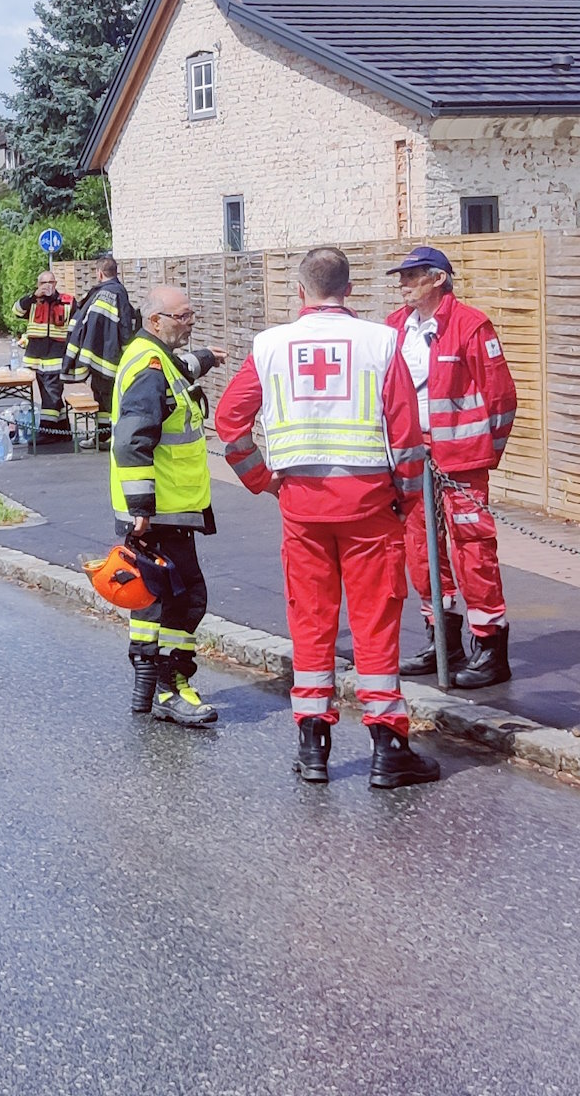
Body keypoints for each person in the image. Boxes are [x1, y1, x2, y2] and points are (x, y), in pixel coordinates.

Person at [216, 247, 441, 788]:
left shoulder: (269, 345)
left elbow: (229, 423)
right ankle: (388, 747)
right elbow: (407, 440)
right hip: (369, 507)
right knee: (376, 623)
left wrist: (262, 479)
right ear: (350, 290)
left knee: (311, 621)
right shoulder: (381, 342)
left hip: (300, 505)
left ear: (300, 292)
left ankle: (313, 744)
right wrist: (406, 500)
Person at [386, 246, 519, 689]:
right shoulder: (393, 328)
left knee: (473, 550)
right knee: (421, 551)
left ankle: (490, 648)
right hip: (411, 460)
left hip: (460, 464)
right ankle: (442, 641)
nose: (403, 284)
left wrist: (483, 453)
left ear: (438, 278)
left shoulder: (471, 325)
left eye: (412, 276)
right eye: (401, 277)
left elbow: (500, 399)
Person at [109, 284, 223, 728]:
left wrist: (207, 358)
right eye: (183, 316)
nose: (190, 322)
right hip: (160, 509)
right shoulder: (150, 366)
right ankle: (171, 686)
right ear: (156, 321)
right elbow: (134, 437)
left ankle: (150, 684)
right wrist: (141, 506)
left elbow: (180, 370)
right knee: (186, 598)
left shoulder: (150, 355)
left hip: (162, 508)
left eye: (192, 314)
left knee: (154, 598)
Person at [63, 257, 136, 443]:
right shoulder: (118, 292)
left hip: (106, 358)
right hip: (106, 357)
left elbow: (122, 326)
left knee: (109, 398)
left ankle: (110, 436)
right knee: (102, 396)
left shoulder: (105, 293)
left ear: (99, 273)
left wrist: (129, 355)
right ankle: (103, 436)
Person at [15, 270, 76, 441]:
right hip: (36, 359)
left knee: (51, 394)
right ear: (38, 285)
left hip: (57, 358)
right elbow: (16, 311)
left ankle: (47, 432)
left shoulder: (67, 302)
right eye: (43, 283)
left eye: (51, 282)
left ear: (56, 284)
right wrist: (33, 296)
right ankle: (63, 431)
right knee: (48, 394)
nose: (47, 286)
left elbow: (77, 326)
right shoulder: (32, 302)